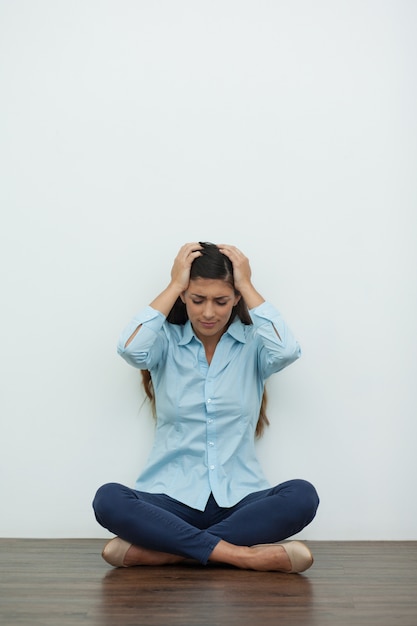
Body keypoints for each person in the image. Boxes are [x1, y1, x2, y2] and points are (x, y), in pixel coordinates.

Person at [93, 242, 319, 573]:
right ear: (184, 297)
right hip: (169, 500)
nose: (209, 312)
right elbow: (129, 348)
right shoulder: (165, 341)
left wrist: (246, 283)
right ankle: (242, 556)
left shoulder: (254, 344)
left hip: (240, 500)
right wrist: (173, 284)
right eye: (198, 300)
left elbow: (286, 351)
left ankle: (169, 552)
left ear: (236, 298)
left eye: (221, 300)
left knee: (302, 496)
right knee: (108, 499)